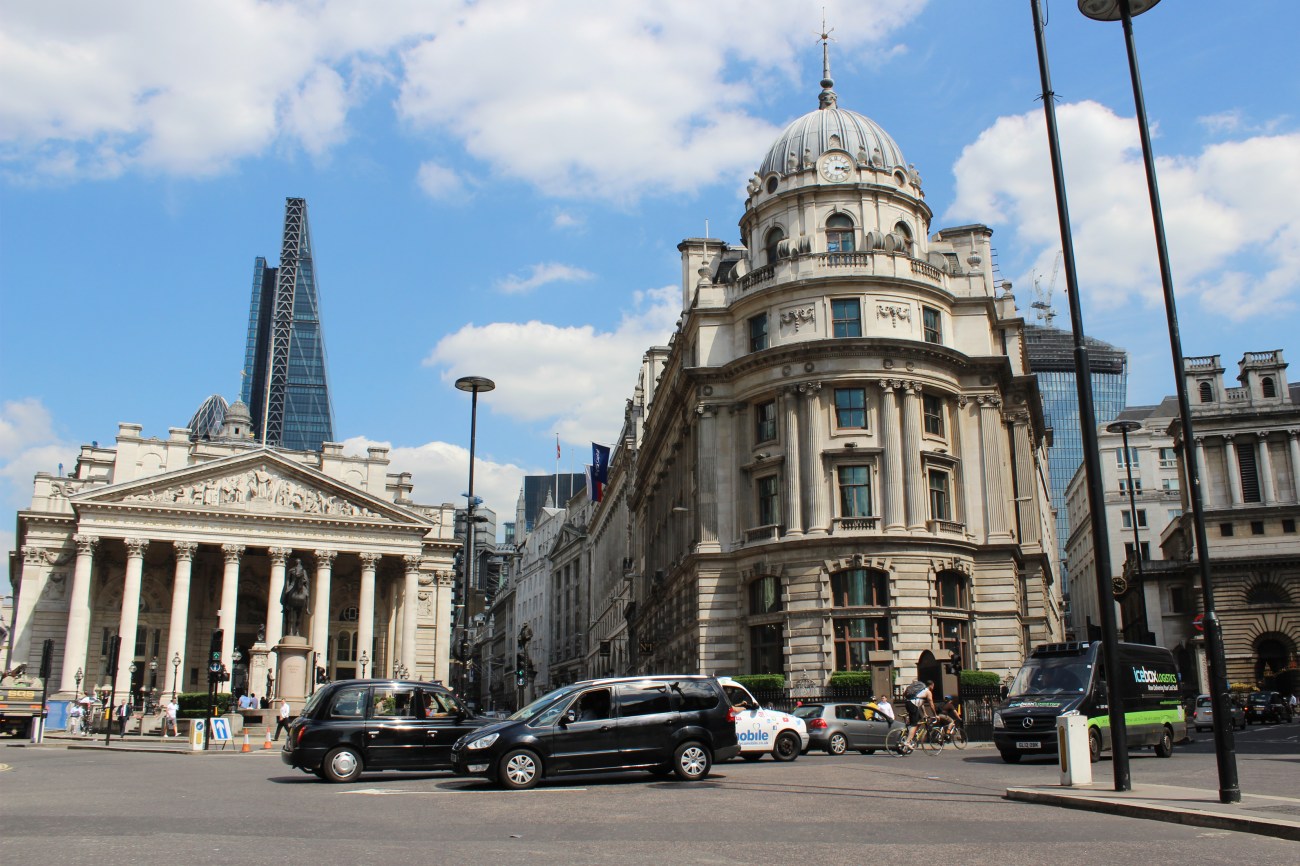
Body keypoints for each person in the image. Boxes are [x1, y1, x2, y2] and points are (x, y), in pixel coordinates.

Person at [902, 679, 935, 751]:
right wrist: (935, 715)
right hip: (913, 705)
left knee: (920, 719)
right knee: (914, 724)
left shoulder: (918, 691)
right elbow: (931, 705)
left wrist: (925, 713)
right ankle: (907, 742)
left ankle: (911, 734)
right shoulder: (928, 692)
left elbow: (920, 703)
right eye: (933, 686)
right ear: (931, 685)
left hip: (908, 703)